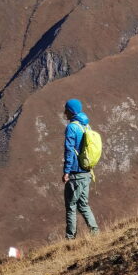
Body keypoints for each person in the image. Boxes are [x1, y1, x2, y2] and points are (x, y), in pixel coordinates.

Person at [62, 98, 99, 239]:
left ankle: (70, 239)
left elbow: (69, 150)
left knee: (71, 206)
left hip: (75, 174)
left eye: (66, 109)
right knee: (83, 204)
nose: (64, 112)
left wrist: (66, 172)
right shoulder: (86, 126)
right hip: (87, 172)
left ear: (71, 111)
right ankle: (95, 232)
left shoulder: (72, 127)